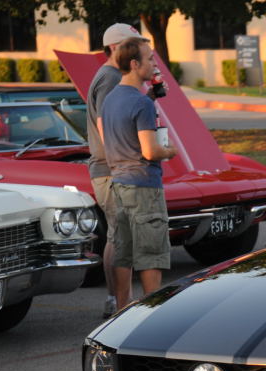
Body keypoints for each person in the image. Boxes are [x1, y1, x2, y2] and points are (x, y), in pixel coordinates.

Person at [100, 38, 177, 311]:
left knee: (123, 251)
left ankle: (122, 309)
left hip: (119, 184)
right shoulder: (142, 104)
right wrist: (170, 151)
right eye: (150, 59)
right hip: (144, 186)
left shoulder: (111, 99)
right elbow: (150, 151)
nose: (155, 64)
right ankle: (150, 315)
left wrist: (151, 97)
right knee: (151, 253)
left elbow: (114, 131)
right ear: (135, 64)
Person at [86, 23, 151, 318]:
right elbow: (107, 125)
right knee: (119, 236)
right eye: (131, 44)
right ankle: (117, 302)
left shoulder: (112, 76)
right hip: (112, 169)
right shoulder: (111, 78)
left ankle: (118, 300)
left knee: (120, 235)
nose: (137, 50)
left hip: (113, 167)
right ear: (114, 48)